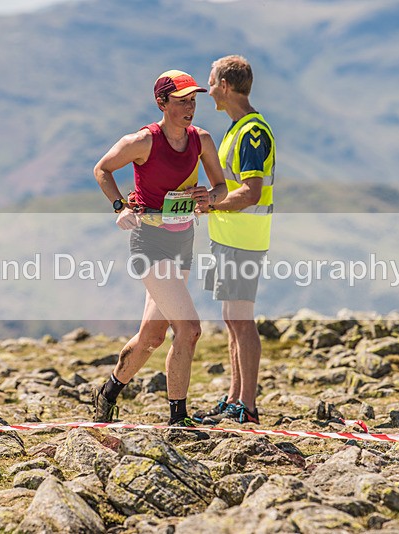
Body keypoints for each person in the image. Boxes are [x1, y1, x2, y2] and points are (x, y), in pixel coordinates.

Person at [92, 69, 227, 428]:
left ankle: (107, 392)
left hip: (183, 241)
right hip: (149, 243)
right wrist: (120, 207)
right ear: (162, 102)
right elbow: (102, 170)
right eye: (182, 101)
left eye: (193, 100)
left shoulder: (202, 139)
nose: (190, 107)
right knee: (190, 328)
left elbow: (221, 188)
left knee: (152, 336)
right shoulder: (142, 141)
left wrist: (207, 198)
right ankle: (178, 420)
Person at [193, 55, 276, 426]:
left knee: (242, 321)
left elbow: (252, 192)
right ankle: (233, 399)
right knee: (231, 319)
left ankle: (248, 405)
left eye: (210, 82)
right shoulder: (236, 128)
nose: (208, 88)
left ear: (225, 86)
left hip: (243, 236)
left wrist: (213, 204)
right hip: (228, 236)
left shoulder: (251, 131)